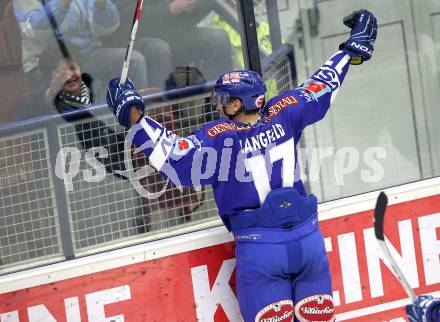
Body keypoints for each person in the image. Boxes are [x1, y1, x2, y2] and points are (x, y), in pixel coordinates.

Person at [106, 9, 377, 322]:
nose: (218, 104)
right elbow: (323, 84)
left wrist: (135, 119)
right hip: (308, 242)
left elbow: (175, 159)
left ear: (237, 104)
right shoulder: (286, 111)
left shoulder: (218, 137)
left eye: (224, 99)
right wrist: (350, 51)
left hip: (261, 252)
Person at [13, 0, 148, 101]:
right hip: (46, 62)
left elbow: (106, 28)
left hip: (85, 54)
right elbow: (33, 32)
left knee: (133, 61)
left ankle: (138, 122)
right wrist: (62, 4)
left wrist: (101, 6)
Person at [112, 0, 233, 84]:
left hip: (176, 32)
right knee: (158, 49)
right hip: (137, 39)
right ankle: (160, 112)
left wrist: (193, 6)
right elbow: (126, 21)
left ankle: (221, 105)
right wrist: (168, 9)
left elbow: (208, 4)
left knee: (219, 39)